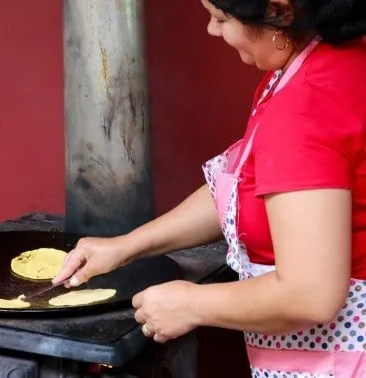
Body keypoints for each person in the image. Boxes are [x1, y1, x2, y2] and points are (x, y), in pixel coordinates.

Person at [53, 0, 366, 376]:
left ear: (279, 14)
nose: (212, 30)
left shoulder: (304, 110)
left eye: (221, 18)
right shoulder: (326, 64)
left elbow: (309, 294)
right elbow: (237, 190)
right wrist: (124, 247)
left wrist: (191, 304)